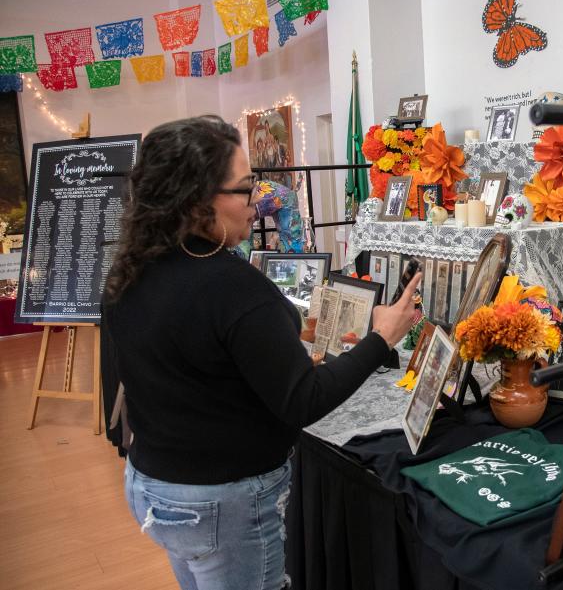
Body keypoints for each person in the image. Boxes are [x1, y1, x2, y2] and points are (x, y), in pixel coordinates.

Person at [101, 115, 421, 590]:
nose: (258, 204)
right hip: (220, 502)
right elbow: (303, 401)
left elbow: (191, 372)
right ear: (196, 200)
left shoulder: (132, 269)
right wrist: (381, 339)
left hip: (155, 487)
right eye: (246, 189)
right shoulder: (231, 287)